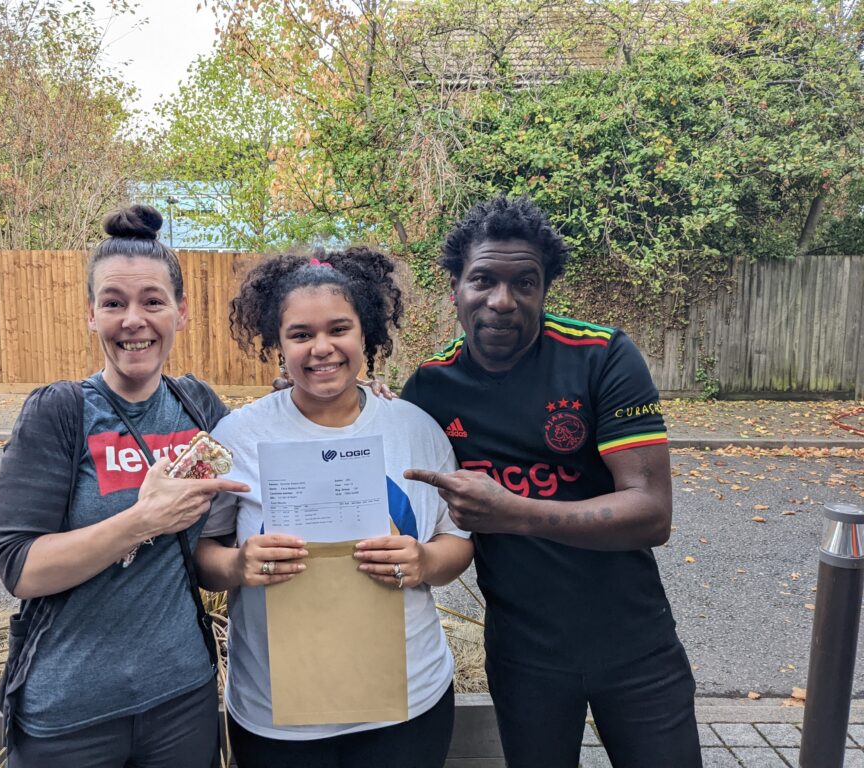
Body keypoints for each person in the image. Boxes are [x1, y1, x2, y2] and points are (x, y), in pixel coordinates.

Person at [401, 196, 702, 768]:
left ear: (544, 290)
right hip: (524, 654)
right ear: (455, 289)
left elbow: (652, 513)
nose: (502, 300)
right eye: (483, 280)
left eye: (525, 283)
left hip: (635, 642)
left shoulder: (601, 357)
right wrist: (314, 406)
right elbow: (376, 445)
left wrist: (513, 512)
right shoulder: (430, 388)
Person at [195, 248, 474, 768]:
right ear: (277, 343)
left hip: (408, 704)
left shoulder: (415, 428)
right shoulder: (238, 436)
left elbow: (456, 541)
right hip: (277, 715)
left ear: (365, 333)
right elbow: (201, 556)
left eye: (339, 329)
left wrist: (425, 562)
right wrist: (237, 564)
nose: (321, 348)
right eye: (300, 334)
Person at [0, 204, 249, 768]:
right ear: (91, 314)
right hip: (69, 714)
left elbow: (267, 458)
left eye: (153, 301)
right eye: (113, 303)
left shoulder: (198, 407)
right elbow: (20, 569)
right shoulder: (59, 412)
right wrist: (141, 521)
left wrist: (355, 400)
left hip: (183, 699)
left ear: (181, 312)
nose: (134, 320)